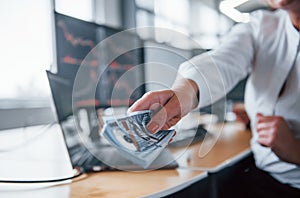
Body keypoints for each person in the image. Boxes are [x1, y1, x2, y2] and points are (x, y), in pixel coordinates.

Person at [128, 0, 300, 197]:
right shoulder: (261, 25)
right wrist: (182, 94)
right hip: (262, 175)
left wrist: (296, 151)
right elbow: (222, 61)